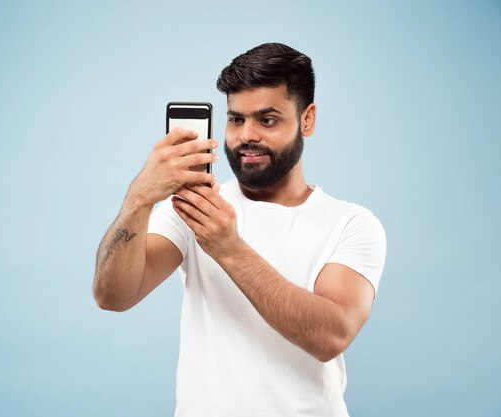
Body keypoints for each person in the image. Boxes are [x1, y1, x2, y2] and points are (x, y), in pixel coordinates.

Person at [93, 42, 386, 417]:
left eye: (267, 120)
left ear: (307, 120)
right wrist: (139, 201)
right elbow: (113, 296)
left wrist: (228, 248)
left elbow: (331, 335)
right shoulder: (196, 206)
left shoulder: (351, 224)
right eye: (236, 119)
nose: (247, 135)